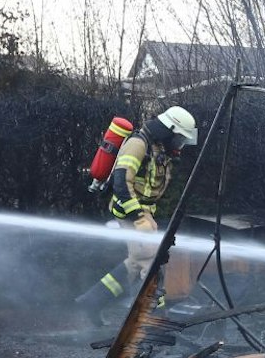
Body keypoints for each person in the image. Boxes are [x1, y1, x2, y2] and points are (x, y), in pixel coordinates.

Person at [73, 105, 198, 325]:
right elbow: (121, 181)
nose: (179, 145)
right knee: (151, 261)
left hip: (144, 212)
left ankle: (92, 301)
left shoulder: (158, 147)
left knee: (135, 261)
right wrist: (138, 216)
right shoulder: (138, 144)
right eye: (178, 138)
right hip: (131, 211)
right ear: (168, 129)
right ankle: (153, 321)